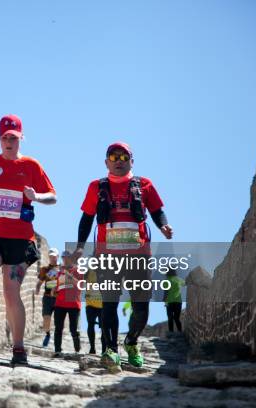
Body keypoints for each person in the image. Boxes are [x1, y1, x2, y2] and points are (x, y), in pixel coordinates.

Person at [0, 114, 56, 366]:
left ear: (21, 139)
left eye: (13, 138)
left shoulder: (31, 166)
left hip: (19, 238)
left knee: (10, 291)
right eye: (5, 137)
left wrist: (36, 196)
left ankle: (18, 347)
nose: (9, 141)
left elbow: (53, 196)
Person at [75, 141, 172, 370]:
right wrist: (80, 246)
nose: (119, 161)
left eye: (124, 157)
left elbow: (157, 211)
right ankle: (110, 351)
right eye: (113, 157)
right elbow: (87, 218)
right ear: (106, 161)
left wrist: (164, 226)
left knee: (141, 307)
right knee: (109, 304)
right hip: (107, 255)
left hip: (138, 255)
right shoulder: (96, 187)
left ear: (131, 160)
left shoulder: (144, 185)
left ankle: (131, 342)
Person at [52, 250, 82, 357]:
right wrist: (54, 290)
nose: (64, 259)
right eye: (63, 257)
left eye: (66, 257)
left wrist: (68, 275)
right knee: (58, 328)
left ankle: (77, 350)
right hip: (60, 303)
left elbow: (80, 285)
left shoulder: (78, 270)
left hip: (74, 304)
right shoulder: (59, 272)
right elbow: (56, 286)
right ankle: (57, 350)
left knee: (73, 329)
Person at [36, 248, 60, 347]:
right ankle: (47, 334)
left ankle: (58, 341)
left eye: (54, 256)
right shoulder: (44, 269)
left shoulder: (63, 268)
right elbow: (40, 282)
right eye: (51, 256)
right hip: (47, 297)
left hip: (59, 298)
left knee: (58, 321)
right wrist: (37, 288)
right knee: (46, 319)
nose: (52, 258)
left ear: (57, 257)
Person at [85, 268, 106, 354]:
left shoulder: (106, 271)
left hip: (103, 305)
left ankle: (104, 350)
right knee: (90, 324)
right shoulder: (88, 272)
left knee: (104, 328)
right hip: (90, 304)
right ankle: (92, 348)